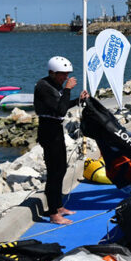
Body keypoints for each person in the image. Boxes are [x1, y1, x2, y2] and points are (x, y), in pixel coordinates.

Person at [34, 56, 89, 224]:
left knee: (61, 169)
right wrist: (68, 89)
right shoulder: (43, 87)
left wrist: (78, 100)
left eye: (67, 74)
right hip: (48, 130)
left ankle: (58, 206)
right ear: (52, 72)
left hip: (56, 130)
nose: (66, 77)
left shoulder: (55, 85)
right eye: (62, 74)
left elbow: (61, 105)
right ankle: (53, 214)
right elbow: (61, 111)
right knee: (54, 172)